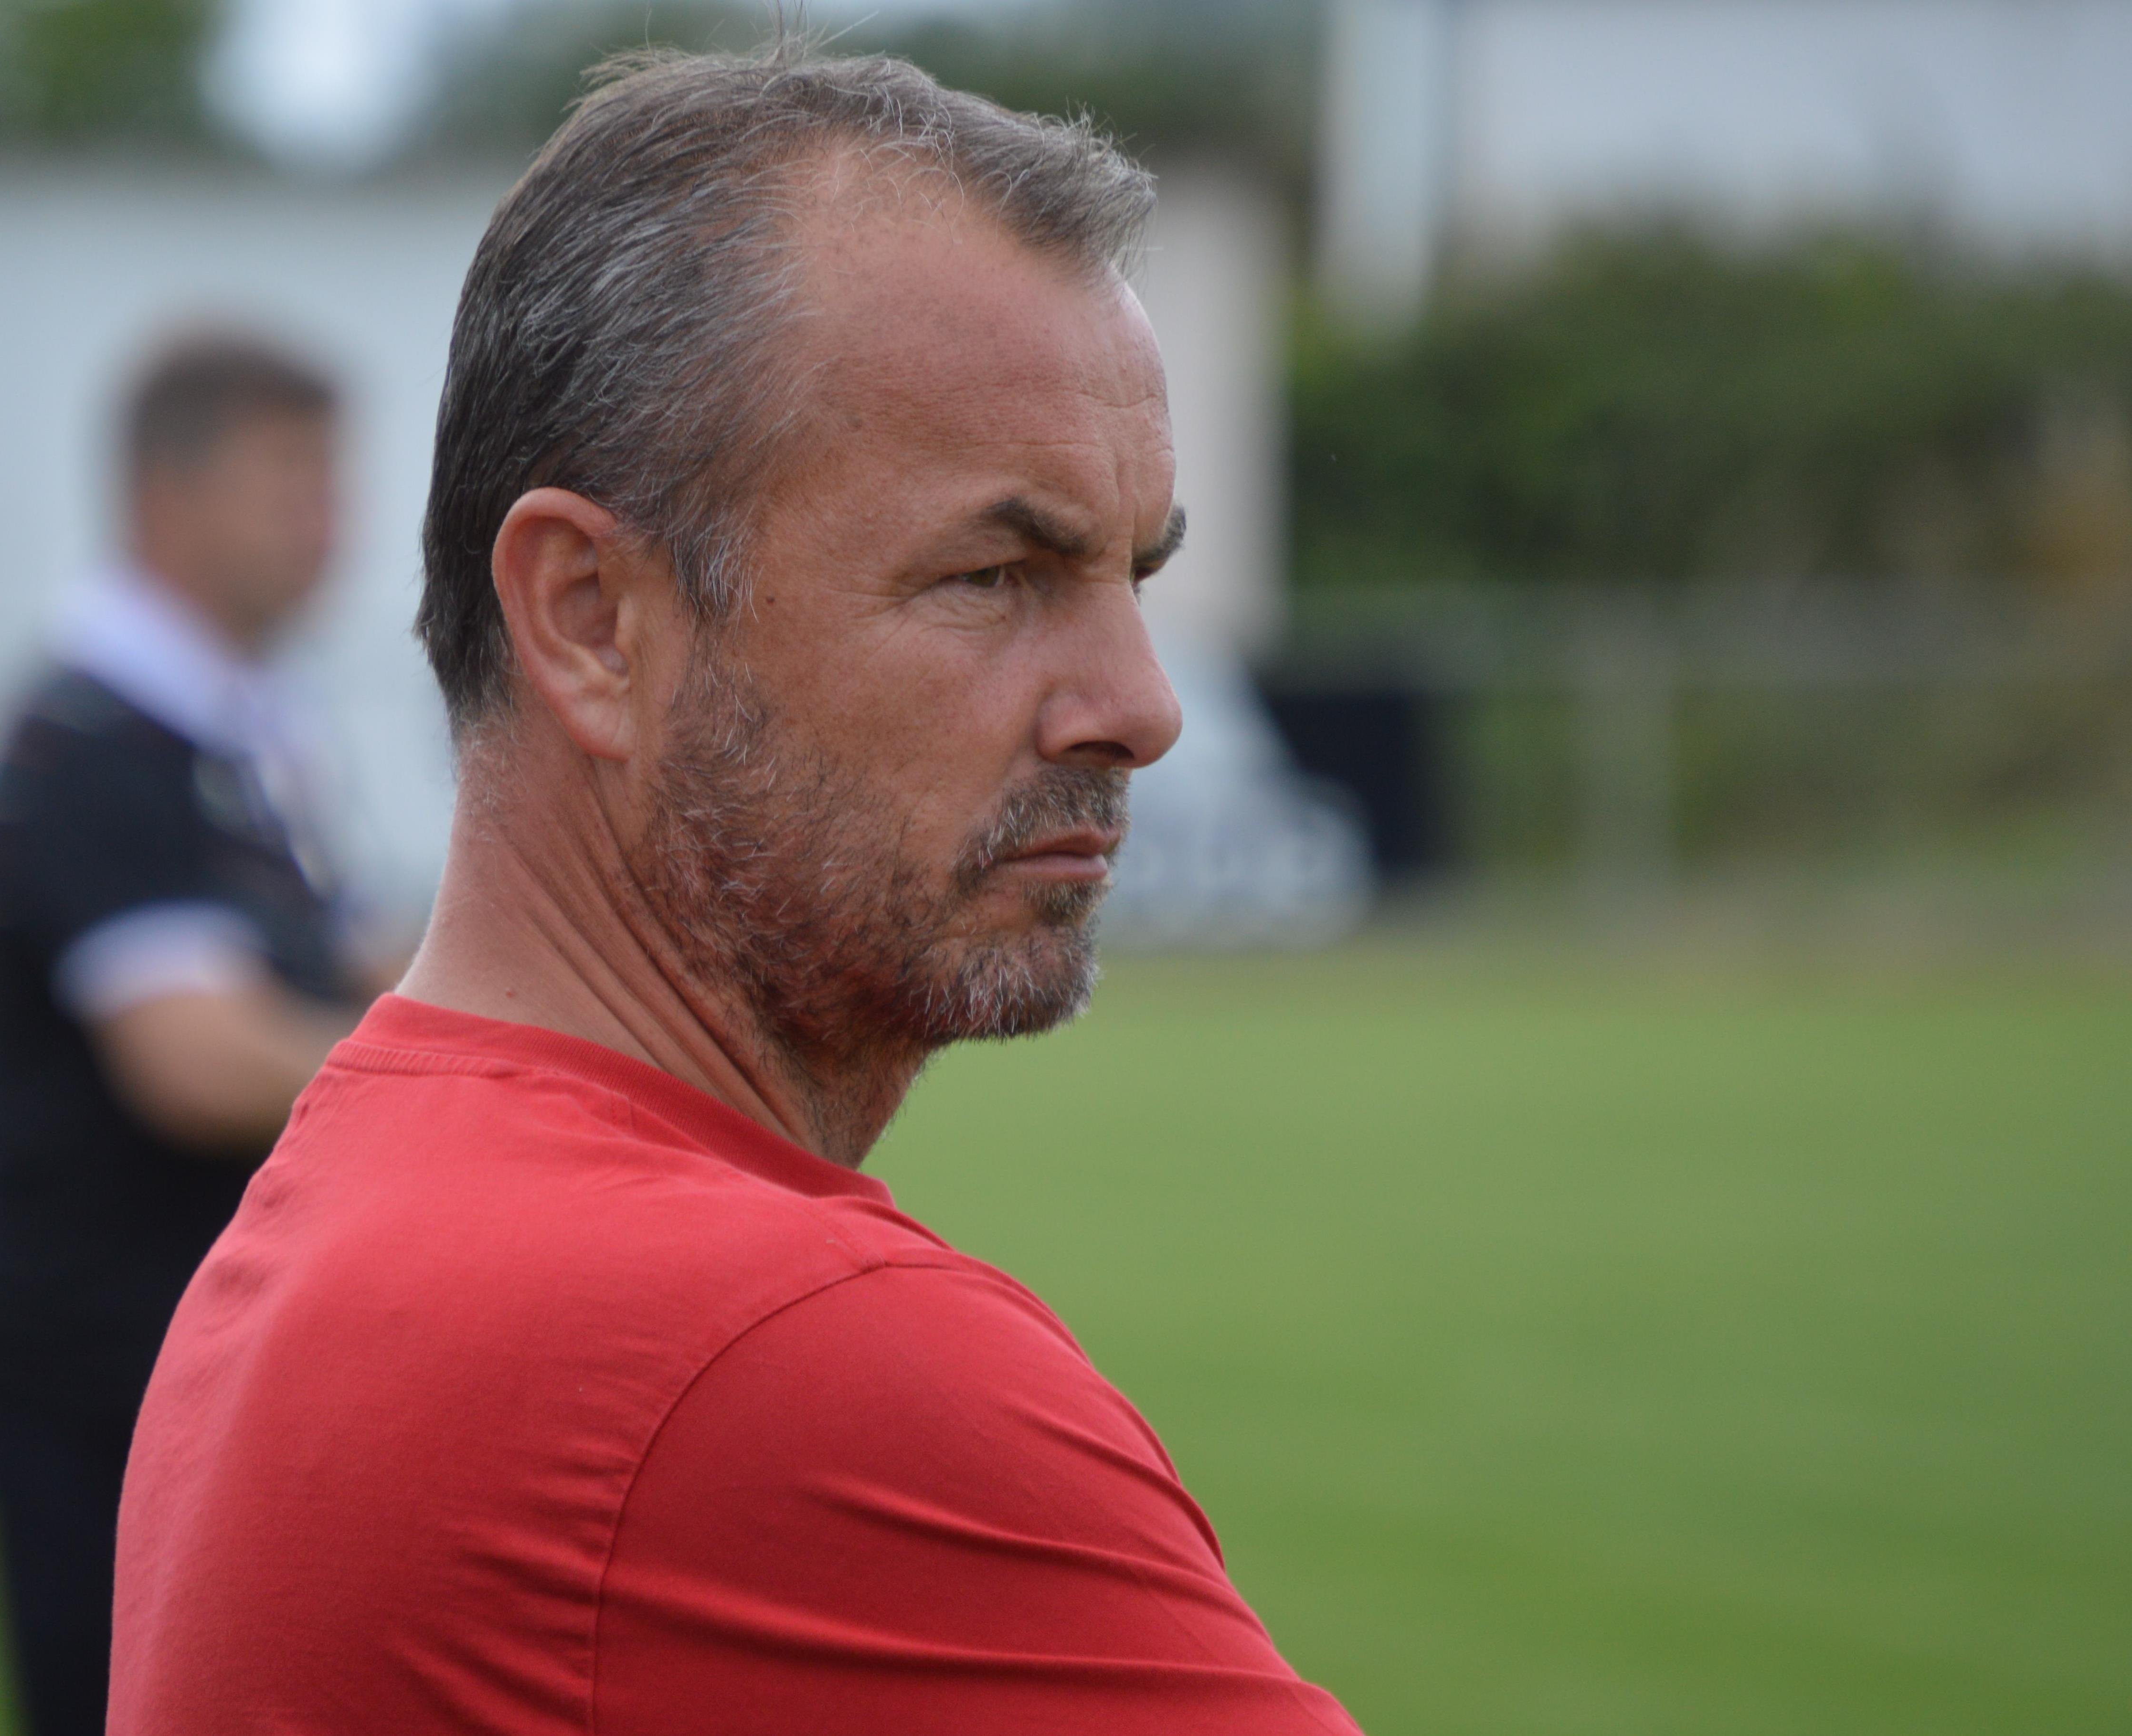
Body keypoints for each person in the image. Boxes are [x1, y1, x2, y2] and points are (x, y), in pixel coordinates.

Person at [111, 42, 1363, 1736]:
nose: (1140, 706)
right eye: (996, 574)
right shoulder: (770, 1355)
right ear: (588, 618)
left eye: (1129, 573)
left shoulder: (347, 1210)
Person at [0, 333, 385, 1736]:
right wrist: (461, 1091)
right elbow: (198, 1063)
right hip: (103, 1364)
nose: (328, 519)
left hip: (216, 1344)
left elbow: (358, 955)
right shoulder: (89, 739)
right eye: (288, 479)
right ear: (165, 495)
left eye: (333, 479)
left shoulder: (250, 726)